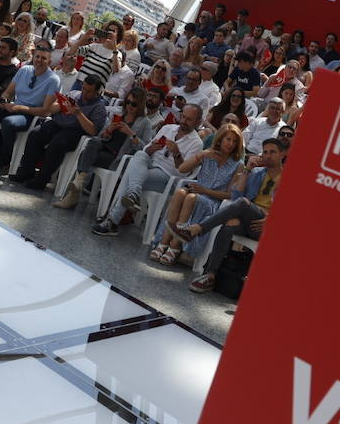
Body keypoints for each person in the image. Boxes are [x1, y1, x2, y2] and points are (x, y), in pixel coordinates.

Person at [175, 137, 286, 293]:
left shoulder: (290, 178)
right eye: (265, 152)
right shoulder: (259, 173)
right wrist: (247, 170)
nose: (267, 155)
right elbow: (236, 195)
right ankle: (210, 275)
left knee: (242, 203)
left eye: (272, 152)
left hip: (267, 227)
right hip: (248, 220)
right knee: (230, 223)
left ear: (282, 154)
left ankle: (197, 229)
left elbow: (293, 212)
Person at [91, 103, 204, 237]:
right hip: (149, 164)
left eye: (189, 119)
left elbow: (183, 172)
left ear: (198, 121)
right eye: (183, 117)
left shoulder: (196, 143)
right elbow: (145, 150)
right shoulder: (168, 128)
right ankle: (130, 196)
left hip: (168, 176)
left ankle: (113, 219)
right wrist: (151, 149)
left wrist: (176, 153)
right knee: (139, 155)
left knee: (130, 176)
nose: (184, 121)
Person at [147, 122, 245, 266]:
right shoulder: (208, 155)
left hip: (214, 201)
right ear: (220, 139)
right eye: (228, 139)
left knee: (191, 197)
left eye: (234, 141)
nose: (230, 144)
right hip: (197, 193)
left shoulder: (238, 164)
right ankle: (163, 243)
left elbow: (229, 195)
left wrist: (205, 191)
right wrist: (201, 155)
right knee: (181, 192)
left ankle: (174, 247)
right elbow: (182, 169)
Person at [53, 88, 158, 210]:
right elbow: (101, 136)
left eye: (134, 104)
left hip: (118, 157)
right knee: (93, 142)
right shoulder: (120, 116)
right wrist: (108, 131)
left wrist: (131, 134)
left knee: (85, 154)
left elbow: (145, 149)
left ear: (140, 105)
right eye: (127, 102)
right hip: (103, 147)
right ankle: (79, 182)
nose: (130, 106)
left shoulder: (145, 123)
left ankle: (75, 189)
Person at [9, 74, 109, 190]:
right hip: (58, 123)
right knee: (35, 134)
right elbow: (52, 108)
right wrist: (59, 105)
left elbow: (93, 131)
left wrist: (78, 114)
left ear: (97, 92)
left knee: (57, 144)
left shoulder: (99, 107)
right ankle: (26, 171)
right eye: (84, 89)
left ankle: (42, 179)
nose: (84, 93)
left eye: (89, 91)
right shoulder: (74, 94)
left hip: (75, 131)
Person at [0, 46, 61, 167]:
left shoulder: (53, 80)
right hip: (14, 107)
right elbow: (8, 92)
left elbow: (45, 111)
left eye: (44, 58)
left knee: (8, 122)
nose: (39, 60)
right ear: (33, 57)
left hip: (31, 115)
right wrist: (4, 100)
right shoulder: (24, 70)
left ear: (50, 62)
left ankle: (5, 157)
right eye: (37, 56)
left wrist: (20, 108)